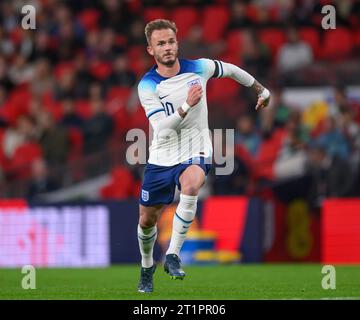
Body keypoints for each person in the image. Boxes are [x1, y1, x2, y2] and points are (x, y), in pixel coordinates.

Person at [136, 19, 270, 293]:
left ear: (177, 42)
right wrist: (187, 105)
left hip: (195, 148)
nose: (168, 47)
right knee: (147, 221)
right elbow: (161, 129)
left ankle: (172, 255)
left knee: (192, 184)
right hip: (162, 156)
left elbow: (230, 70)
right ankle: (147, 266)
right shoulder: (148, 86)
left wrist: (260, 89)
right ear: (151, 50)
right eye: (161, 43)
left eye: (171, 41)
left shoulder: (199, 67)